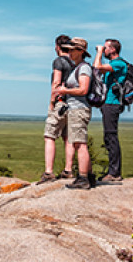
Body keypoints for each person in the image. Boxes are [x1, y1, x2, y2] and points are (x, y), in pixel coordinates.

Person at [55, 38, 94, 189]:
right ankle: (89, 176)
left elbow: (83, 90)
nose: (69, 52)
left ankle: (83, 179)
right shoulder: (78, 67)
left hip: (79, 108)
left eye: (72, 50)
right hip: (75, 109)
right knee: (79, 143)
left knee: (80, 144)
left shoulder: (83, 68)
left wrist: (65, 90)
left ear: (81, 51)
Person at [37, 35, 75, 185]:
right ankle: (68, 170)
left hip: (60, 103)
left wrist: (52, 102)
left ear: (58, 46)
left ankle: (48, 172)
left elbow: (56, 82)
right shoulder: (75, 63)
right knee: (68, 138)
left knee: (50, 136)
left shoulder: (59, 61)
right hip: (73, 104)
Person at [93, 39, 127, 182]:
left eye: (106, 47)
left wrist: (99, 52)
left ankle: (114, 173)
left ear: (113, 49)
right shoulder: (113, 64)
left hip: (112, 104)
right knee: (108, 137)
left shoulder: (119, 63)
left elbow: (96, 67)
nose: (104, 50)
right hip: (107, 103)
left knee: (111, 136)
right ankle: (113, 171)